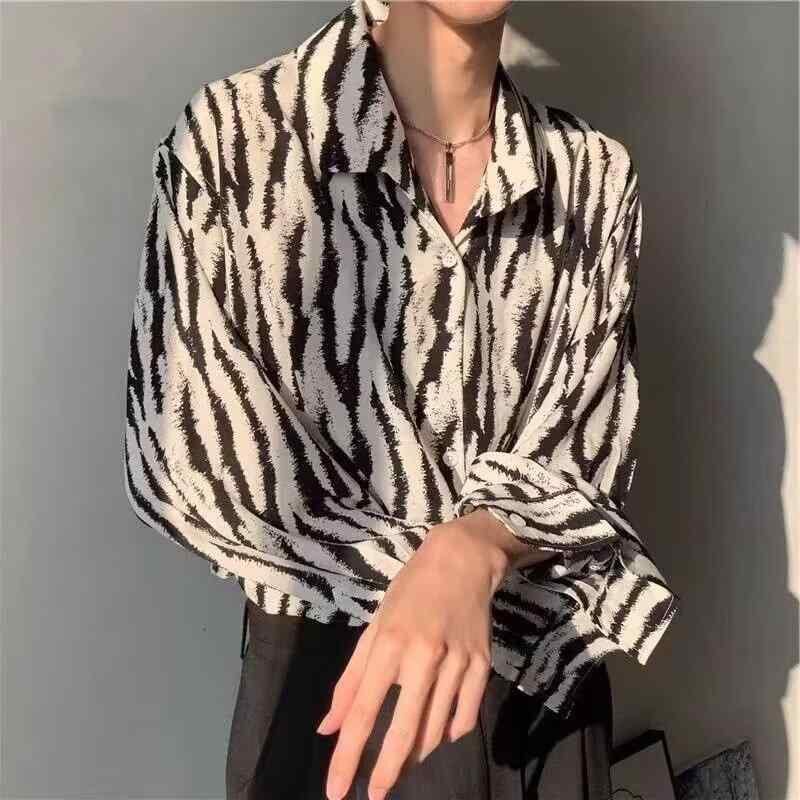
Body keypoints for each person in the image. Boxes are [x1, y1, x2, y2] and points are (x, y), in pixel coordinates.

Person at [121, 0, 680, 797]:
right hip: (339, 690)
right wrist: (447, 569)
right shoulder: (237, 140)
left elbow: (591, 451)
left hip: (541, 725)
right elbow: (187, 458)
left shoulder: (591, 179)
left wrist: (475, 548)